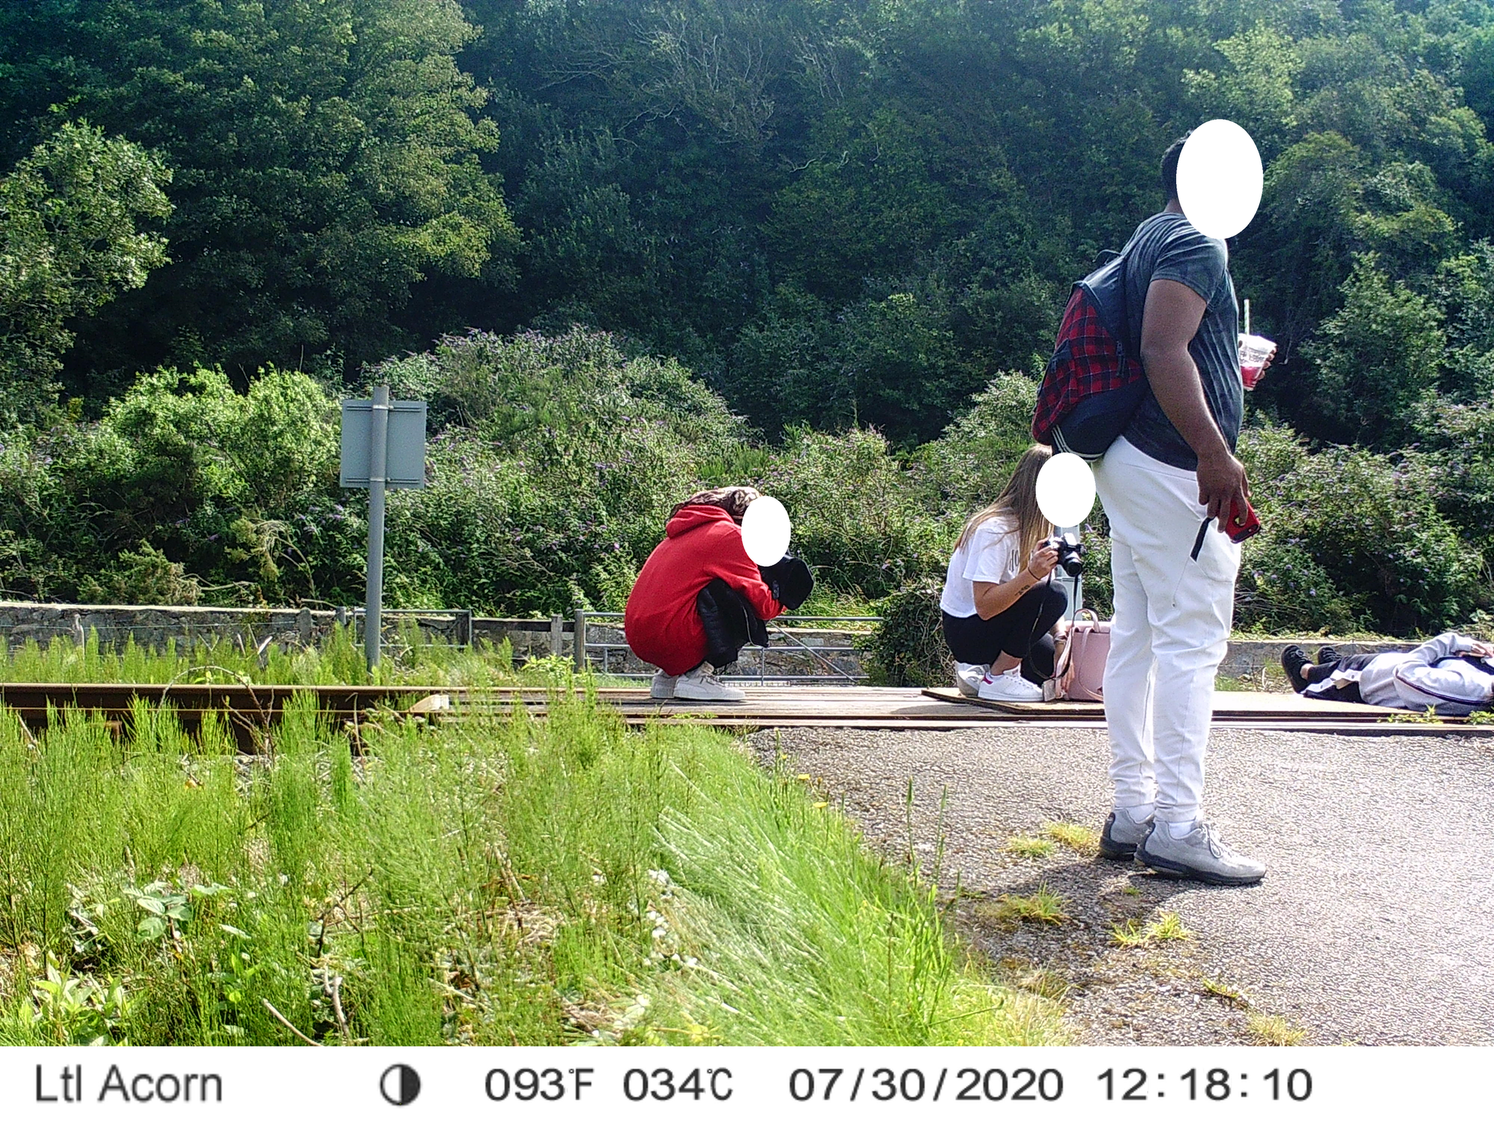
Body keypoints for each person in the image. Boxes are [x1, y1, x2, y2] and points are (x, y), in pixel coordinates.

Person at [1092, 133, 1271, 886]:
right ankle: (1178, 827)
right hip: (1170, 462)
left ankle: (1133, 812)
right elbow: (1163, 349)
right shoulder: (1199, 241)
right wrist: (1213, 450)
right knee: (1194, 640)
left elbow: (1173, 349)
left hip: (1127, 459)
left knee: (1136, 636)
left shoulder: (1151, 233)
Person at [624, 486, 786, 702]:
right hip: (672, 637)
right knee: (742, 603)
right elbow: (763, 606)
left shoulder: (683, 532)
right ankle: (698, 676)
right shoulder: (731, 535)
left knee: (709, 589)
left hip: (640, 638)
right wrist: (785, 594)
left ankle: (668, 679)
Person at [940, 445, 1069, 703]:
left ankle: (980, 675)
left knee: (1050, 669)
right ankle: (999, 675)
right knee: (1056, 594)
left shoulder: (1035, 530)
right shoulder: (995, 529)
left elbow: (1043, 596)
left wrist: (1061, 641)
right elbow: (985, 606)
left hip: (995, 624)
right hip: (967, 630)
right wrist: (1031, 574)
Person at [1283, 635, 1494, 715]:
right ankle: (1332, 663)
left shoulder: (1472, 691)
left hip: (1369, 680)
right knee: (1343, 663)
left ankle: (1305, 673)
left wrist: (1450, 642)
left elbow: (1405, 675)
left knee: (1332, 674)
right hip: (1388, 661)